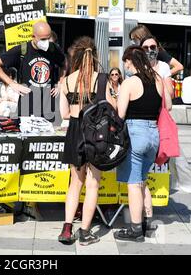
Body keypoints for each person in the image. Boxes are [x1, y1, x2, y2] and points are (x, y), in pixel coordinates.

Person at [58, 36, 116, 245]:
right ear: (94, 56)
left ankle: (66, 228)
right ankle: (84, 232)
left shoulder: (66, 81)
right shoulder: (102, 79)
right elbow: (113, 109)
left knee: (75, 183)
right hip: (95, 135)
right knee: (93, 184)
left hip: (74, 131)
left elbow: (64, 113)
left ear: (76, 56)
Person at [114, 45, 172, 242]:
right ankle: (146, 223)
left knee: (133, 184)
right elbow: (167, 105)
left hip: (135, 132)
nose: (126, 67)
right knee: (142, 180)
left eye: (126, 63)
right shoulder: (157, 79)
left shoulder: (130, 83)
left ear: (131, 61)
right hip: (153, 134)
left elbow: (120, 114)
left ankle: (135, 229)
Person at [0, 21, 66, 122]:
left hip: (50, 110)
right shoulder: (22, 50)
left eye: (48, 38)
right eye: (43, 39)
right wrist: (12, 83)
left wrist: (60, 83)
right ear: (33, 36)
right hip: (27, 110)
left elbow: (64, 63)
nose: (46, 42)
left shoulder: (53, 49)